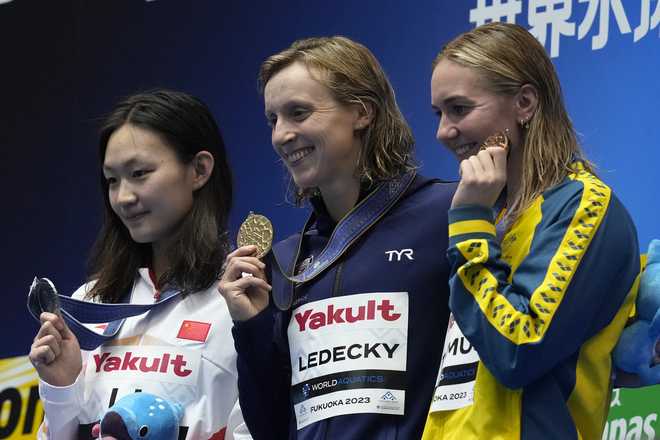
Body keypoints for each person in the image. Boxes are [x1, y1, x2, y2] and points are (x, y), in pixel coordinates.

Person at [218, 36, 456, 439]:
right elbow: (271, 428)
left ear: (362, 113)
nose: (281, 135)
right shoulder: (286, 261)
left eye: (298, 113)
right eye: (273, 119)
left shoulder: (448, 214)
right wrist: (253, 327)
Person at [423, 22, 639, 439]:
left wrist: (469, 223)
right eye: (439, 113)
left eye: (460, 109)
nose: (443, 132)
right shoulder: (493, 217)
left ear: (524, 103)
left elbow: (517, 349)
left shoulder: (582, 206)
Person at [28, 90, 250, 439]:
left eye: (140, 173)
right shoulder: (91, 302)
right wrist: (60, 389)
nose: (123, 197)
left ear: (200, 170)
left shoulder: (238, 299)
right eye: (112, 180)